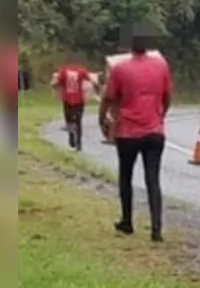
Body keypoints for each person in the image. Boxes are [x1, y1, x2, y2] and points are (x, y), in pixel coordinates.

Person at [99, 27, 173, 242]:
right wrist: (160, 116)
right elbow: (167, 96)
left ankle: (127, 222)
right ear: (148, 45)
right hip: (154, 131)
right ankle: (156, 229)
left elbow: (109, 97)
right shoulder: (161, 66)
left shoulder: (120, 69)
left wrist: (102, 118)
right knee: (153, 179)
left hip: (128, 132)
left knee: (126, 177)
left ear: (129, 46)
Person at [51, 57, 98, 151]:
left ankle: (72, 137)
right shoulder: (81, 71)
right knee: (78, 121)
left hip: (67, 100)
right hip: (79, 101)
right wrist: (97, 87)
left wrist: (53, 85)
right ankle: (79, 144)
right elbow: (91, 81)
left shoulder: (63, 71)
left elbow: (56, 83)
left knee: (69, 120)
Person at [0, 42, 19, 149]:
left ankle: (10, 136)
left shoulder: (1, 59)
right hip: (8, 91)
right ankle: (10, 136)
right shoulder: (5, 58)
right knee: (9, 114)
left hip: (7, 91)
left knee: (9, 114)